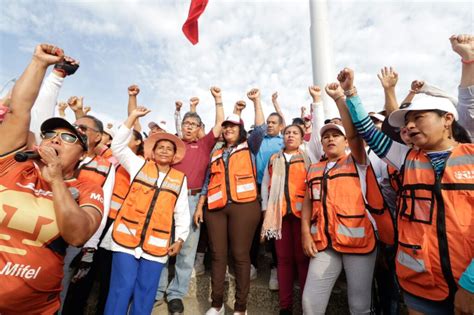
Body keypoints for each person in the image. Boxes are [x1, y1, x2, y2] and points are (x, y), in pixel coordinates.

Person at [343, 61, 473, 315]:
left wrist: (470, 284)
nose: (409, 125)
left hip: (468, 286)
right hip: (420, 289)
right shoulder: (405, 157)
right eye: (408, 121)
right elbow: (368, 132)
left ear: (447, 119)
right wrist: (351, 94)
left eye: (418, 118)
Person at [0, 44, 103, 314]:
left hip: (35, 309)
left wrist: (57, 180)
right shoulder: (12, 163)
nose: (56, 139)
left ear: (82, 155)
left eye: (69, 137)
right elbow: (18, 110)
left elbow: (78, 234)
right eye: (49, 135)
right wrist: (39, 62)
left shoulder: (87, 187)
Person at [301, 79, 393, 315]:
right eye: (326, 136)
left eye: (336, 135)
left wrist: (339, 98)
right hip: (325, 243)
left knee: (359, 307)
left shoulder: (358, 161)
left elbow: (355, 135)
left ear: (345, 142)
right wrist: (304, 235)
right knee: (310, 303)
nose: (330, 139)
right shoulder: (314, 169)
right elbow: (307, 205)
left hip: (359, 244)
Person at [104, 106, 190, 315]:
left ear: (174, 155)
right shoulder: (138, 165)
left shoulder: (180, 179)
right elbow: (117, 146)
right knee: (120, 289)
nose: (164, 150)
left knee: (146, 292)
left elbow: (182, 212)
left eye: (169, 148)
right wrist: (133, 117)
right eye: (160, 147)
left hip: (157, 243)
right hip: (126, 239)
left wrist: (180, 239)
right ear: (153, 150)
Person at [155, 86, 224, 315]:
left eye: (193, 125)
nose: (188, 127)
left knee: (186, 249)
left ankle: (176, 294)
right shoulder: (173, 144)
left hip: (193, 200)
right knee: (162, 244)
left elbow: (219, 123)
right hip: (168, 197)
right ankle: (157, 290)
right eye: (186, 124)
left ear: (198, 130)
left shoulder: (205, 145)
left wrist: (217, 100)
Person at [195, 111, 261, 315]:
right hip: (215, 209)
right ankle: (217, 304)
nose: (228, 129)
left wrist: (256, 101)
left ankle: (241, 308)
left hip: (244, 206)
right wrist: (200, 206)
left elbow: (260, 129)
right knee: (217, 255)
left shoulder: (250, 146)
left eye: (232, 126)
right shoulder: (215, 153)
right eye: (225, 126)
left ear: (240, 130)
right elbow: (207, 182)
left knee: (240, 255)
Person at [261, 124, 311, 315]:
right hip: (279, 216)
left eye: (295, 133)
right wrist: (265, 211)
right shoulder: (273, 159)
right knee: (283, 260)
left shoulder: (308, 157)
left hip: (302, 216)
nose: (290, 136)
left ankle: (308, 306)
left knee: (302, 259)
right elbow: (266, 184)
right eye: (287, 133)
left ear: (301, 137)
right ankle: (285, 307)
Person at [247, 88, 284, 289]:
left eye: (273, 122)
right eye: (268, 122)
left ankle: (275, 270)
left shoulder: (284, 141)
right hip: (254, 187)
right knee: (253, 226)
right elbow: (259, 126)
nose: (269, 125)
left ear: (281, 126)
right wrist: (256, 102)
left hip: (275, 189)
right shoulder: (257, 140)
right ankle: (251, 265)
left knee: (272, 228)